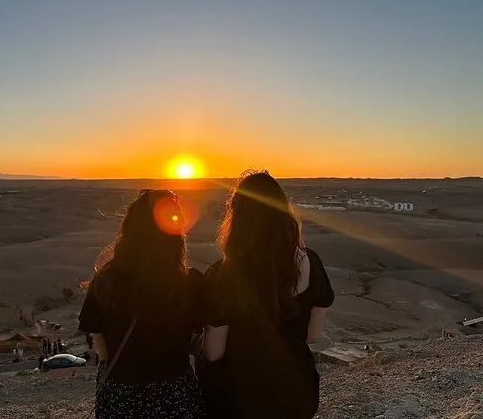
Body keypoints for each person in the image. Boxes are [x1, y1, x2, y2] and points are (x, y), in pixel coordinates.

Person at [200, 171, 334, 419]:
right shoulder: (310, 263)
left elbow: (214, 352)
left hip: (238, 398)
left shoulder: (222, 275)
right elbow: (312, 336)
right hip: (295, 393)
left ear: (237, 218)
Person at [78, 189, 205, 418]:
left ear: (129, 232)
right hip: (175, 396)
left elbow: (103, 352)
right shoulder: (191, 283)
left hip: (121, 397)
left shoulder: (105, 282)